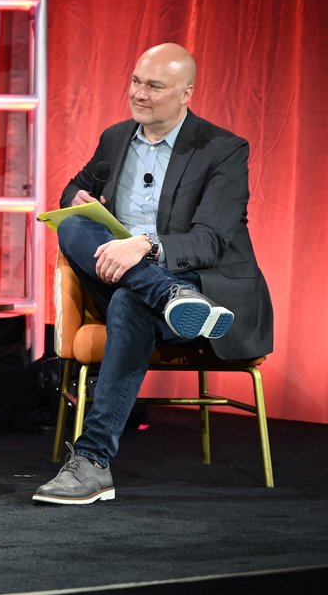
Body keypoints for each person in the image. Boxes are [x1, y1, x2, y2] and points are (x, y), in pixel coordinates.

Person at [34, 42, 273, 505]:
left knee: (131, 301)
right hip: (139, 281)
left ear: (186, 93)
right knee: (73, 226)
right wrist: (76, 200)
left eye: (154, 86)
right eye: (136, 81)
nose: (139, 94)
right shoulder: (115, 137)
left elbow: (212, 239)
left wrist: (146, 245)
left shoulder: (222, 150)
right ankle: (166, 296)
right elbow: (75, 187)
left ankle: (93, 462)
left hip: (202, 286)